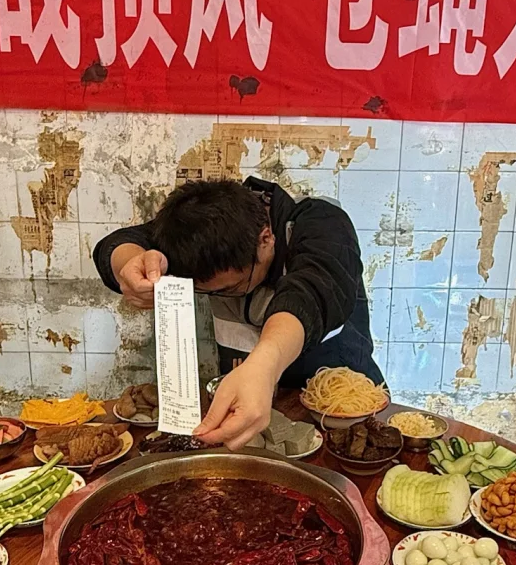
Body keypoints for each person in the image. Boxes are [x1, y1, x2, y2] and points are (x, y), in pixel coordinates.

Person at [93, 177, 382, 449]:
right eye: (209, 292)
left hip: (341, 408)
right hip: (249, 401)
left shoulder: (322, 224)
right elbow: (119, 243)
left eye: (231, 288)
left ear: (266, 238)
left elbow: (311, 292)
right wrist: (134, 265)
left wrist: (263, 366)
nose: (221, 297)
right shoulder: (200, 229)